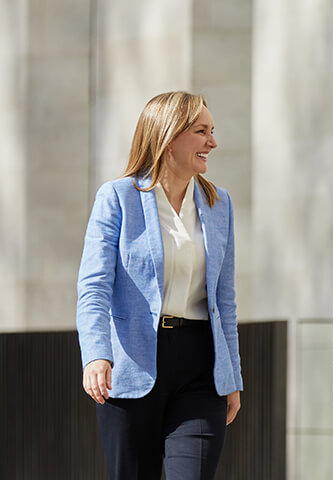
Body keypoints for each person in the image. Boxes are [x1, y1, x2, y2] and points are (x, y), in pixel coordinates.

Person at [76, 91, 242, 480]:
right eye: (202, 131)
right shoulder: (117, 198)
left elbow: (224, 299)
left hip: (202, 368)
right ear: (169, 137)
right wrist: (96, 355)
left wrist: (231, 376)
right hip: (131, 365)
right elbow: (94, 287)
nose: (212, 142)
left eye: (212, 131)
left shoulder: (220, 205)